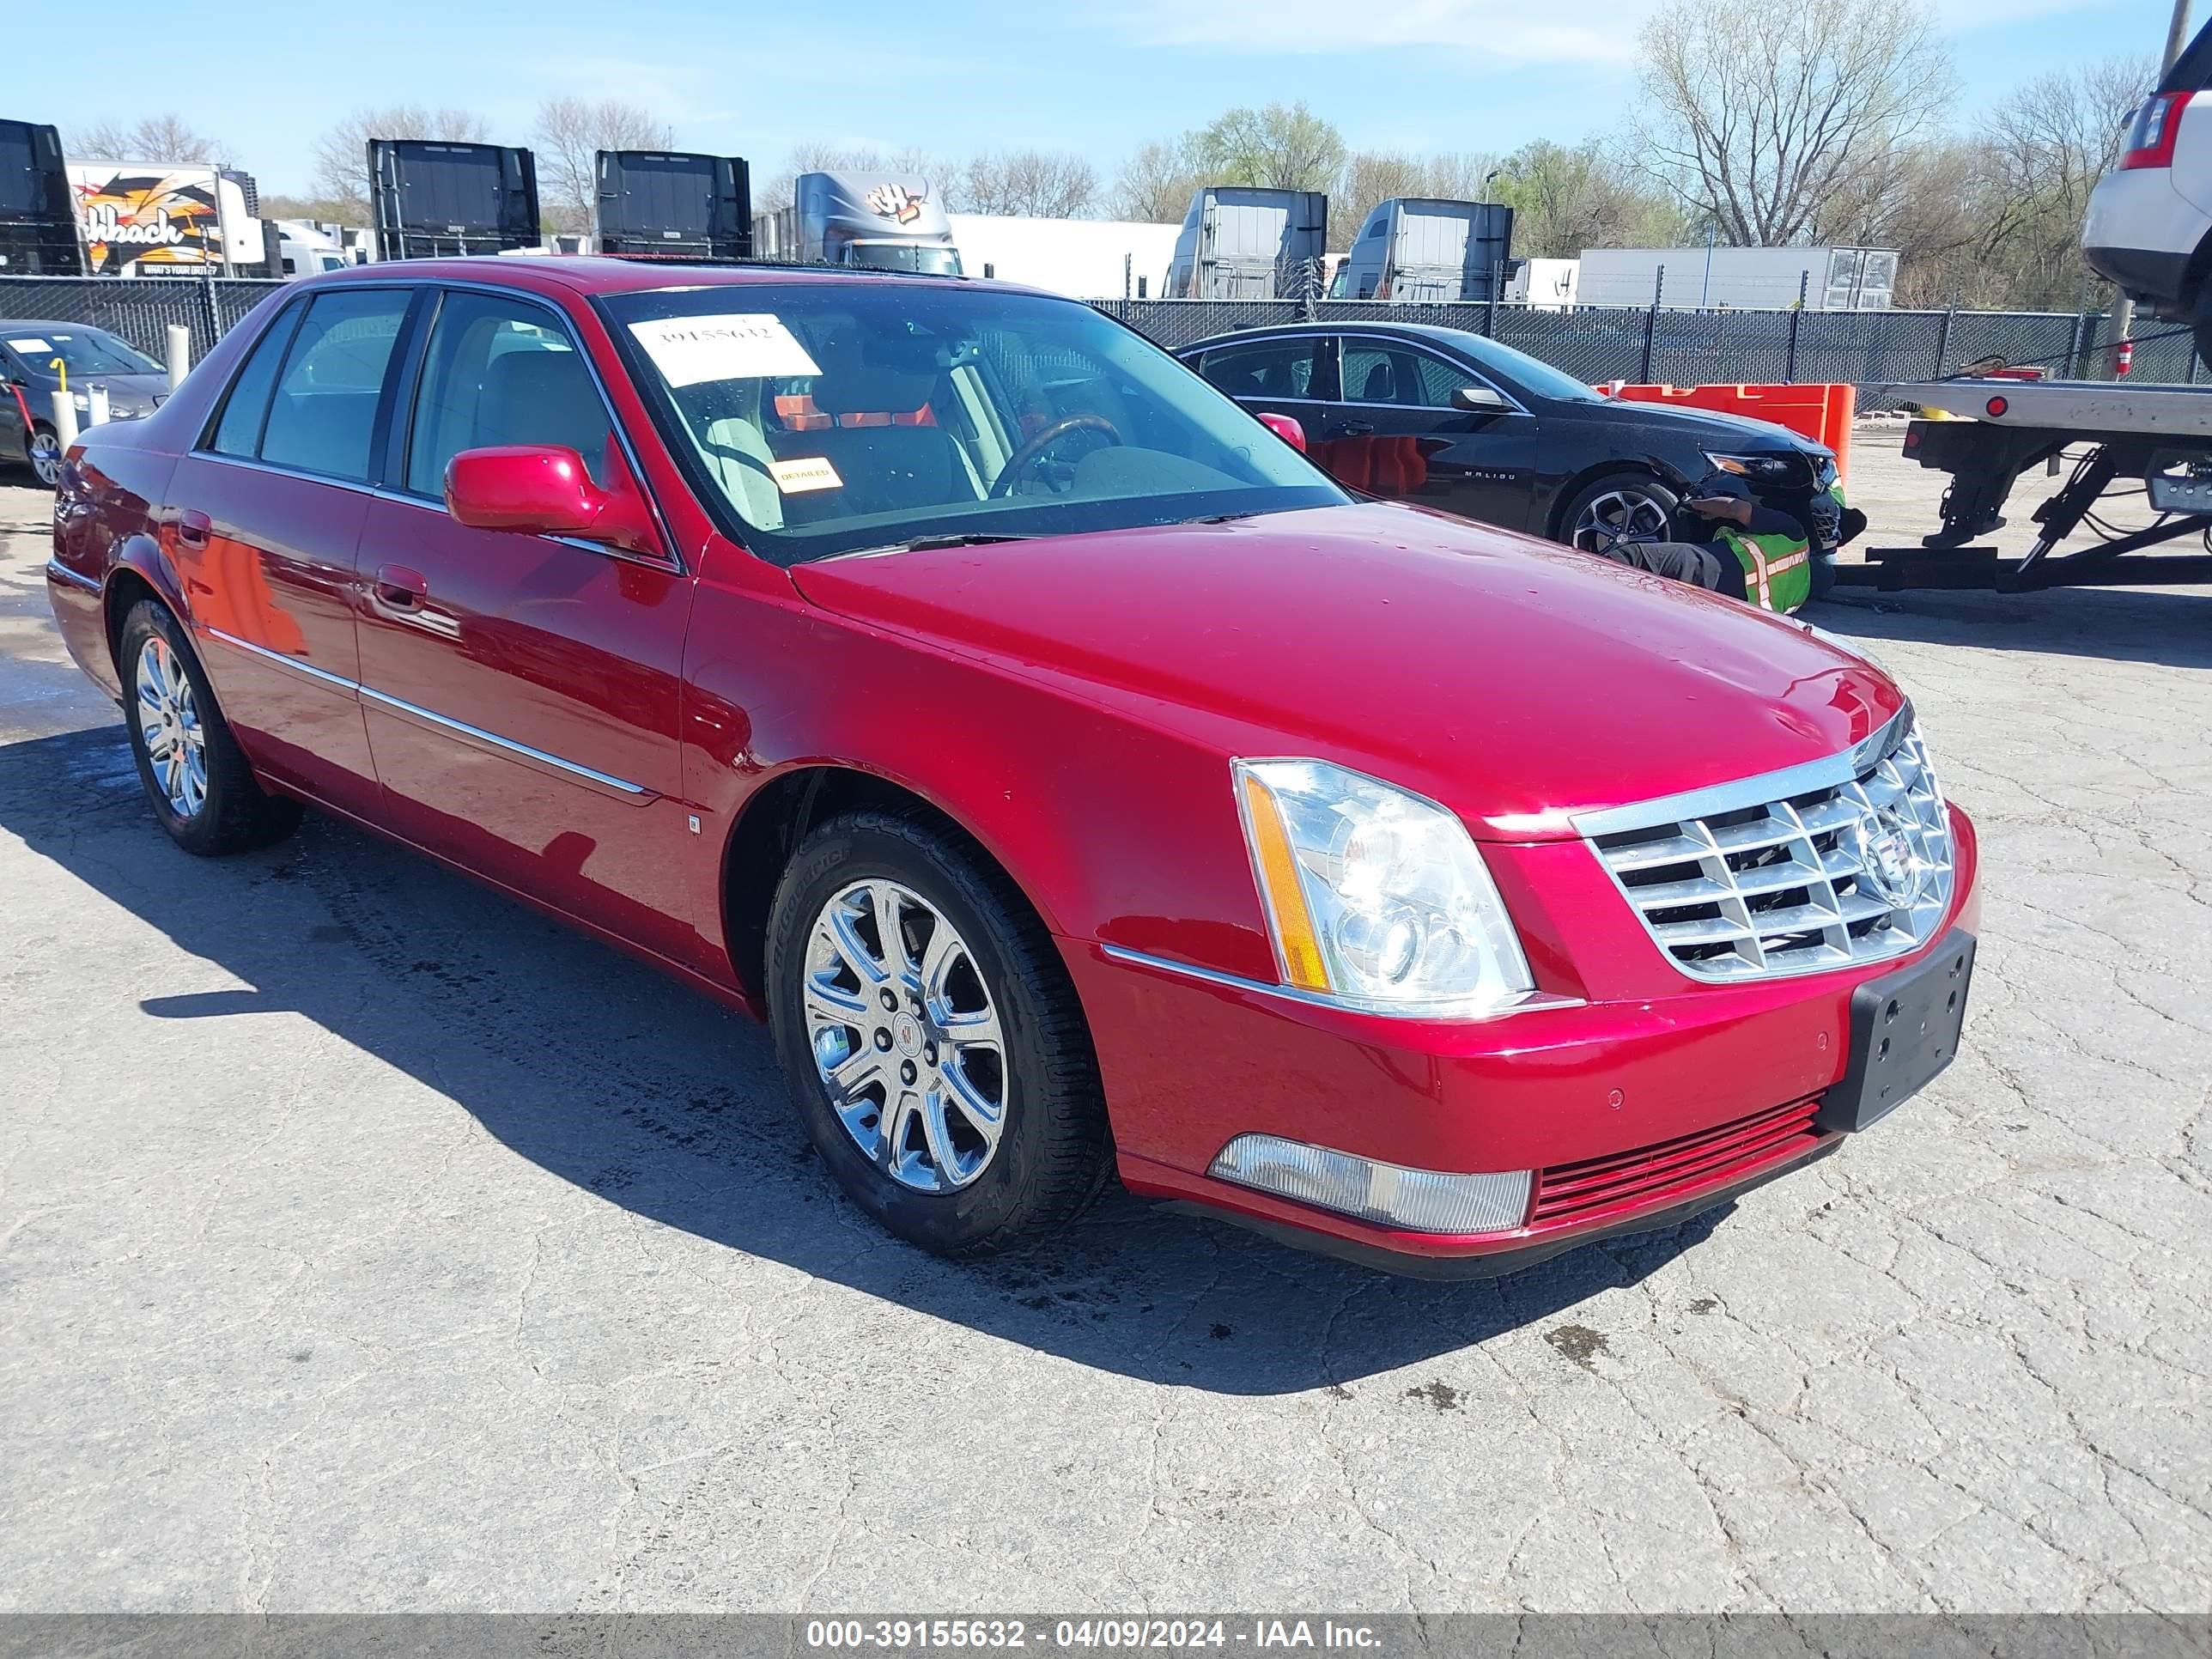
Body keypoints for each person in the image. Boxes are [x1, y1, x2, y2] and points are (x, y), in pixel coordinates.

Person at [1592, 472, 1815, 613]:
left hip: (1712, 565)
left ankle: (1580, 593)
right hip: (1735, 610)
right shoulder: (1800, 594)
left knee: (1635, 556)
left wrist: (1697, 505)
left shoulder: (1794, 532)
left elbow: (1735, 509)